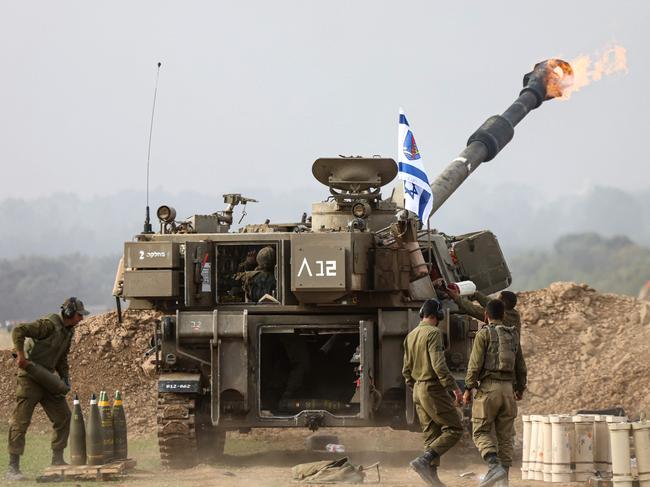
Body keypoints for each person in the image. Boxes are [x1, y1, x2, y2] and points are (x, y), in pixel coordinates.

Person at [6, 297, 89, 481]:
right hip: (30, 378)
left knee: (63, 417)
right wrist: (21, 356)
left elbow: (62, 359)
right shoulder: (48, 325)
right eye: (78, 315)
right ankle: (13, 467)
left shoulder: (68, 332)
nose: (81, 319)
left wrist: (65, 379)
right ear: (68, 313)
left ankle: (57, 460)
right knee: (21, 421)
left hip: (48, 380)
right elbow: (19, 330)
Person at [463, 299, 527, 487]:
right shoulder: (513, 335)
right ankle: (503, 482)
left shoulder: (484, 334)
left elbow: (474, 365)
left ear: (486, 315)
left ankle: (493, 466)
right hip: (508, 390)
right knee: (505, 437)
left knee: (480, 431)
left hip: (489, 389)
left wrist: (468, 388)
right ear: (504, 315)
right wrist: (519, 388)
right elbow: (521, 366)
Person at [403, 299, 463, 487]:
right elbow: (439, 365)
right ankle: (424, 460)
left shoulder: (411, 335)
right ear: (437, 316)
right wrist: (455, 389)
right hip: (432, 388)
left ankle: (432, 478)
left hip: (418, 390)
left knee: (431, 435)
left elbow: (406, 370)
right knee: (454, 428)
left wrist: (416, 387)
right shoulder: (434, 333)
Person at [448, 289, 521, 331]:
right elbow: (490, 302)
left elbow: (475, 310)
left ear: (504, 303)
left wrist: (456, 297)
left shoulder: (502, 317)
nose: (495, 300)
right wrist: (477, 294)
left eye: (498, 299)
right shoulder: (514, 314)